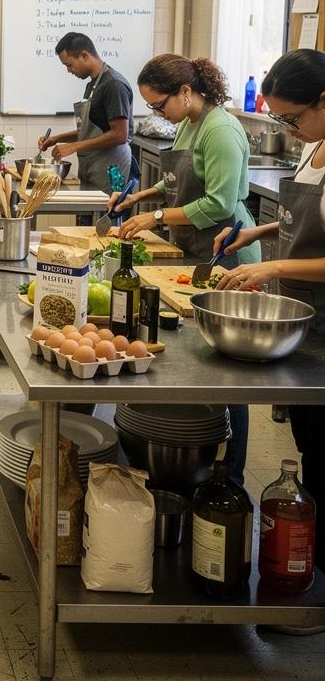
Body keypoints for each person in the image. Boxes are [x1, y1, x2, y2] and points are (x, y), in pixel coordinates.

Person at [114, 53, 258, 483]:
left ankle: (229, 473)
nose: (159, 114)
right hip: (197, 248)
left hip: (227, 254)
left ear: (186, 92)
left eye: (160, 106)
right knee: (199, 360)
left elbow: (219, 203)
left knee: (229, 375)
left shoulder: (222, 132)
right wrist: (141, 197)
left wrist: (156, 219)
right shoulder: (191, 125)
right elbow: (176, 183)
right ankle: (189, 452)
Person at [215, 49, 325, 612]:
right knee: (310, 445)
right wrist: (254, 232)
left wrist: (275, 265)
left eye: (294, 118)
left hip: (322, 328)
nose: (288, 129)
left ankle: (313, 588)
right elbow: (297, 222)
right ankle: (305, 575)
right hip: (303, 326)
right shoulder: (315, 148)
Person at [37, 32, 134, 191]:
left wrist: (74, 146)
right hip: (94, 167)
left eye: (69, 64)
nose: (69, 71)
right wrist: (57, 139)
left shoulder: (113, 85)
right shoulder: (93, 85)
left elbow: (119, 134)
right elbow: (93, 132)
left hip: (112, 171)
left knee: (107, 215)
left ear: (84, 55)